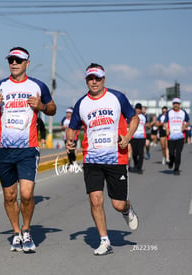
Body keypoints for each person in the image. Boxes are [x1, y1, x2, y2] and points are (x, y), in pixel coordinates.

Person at [0, 47, 56, 252]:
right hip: (4, 149)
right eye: (11, 60)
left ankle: (26, 229)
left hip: (28, 149)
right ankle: (15, 233)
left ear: (26, 64)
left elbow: (52, 109)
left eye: (18, 60)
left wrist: (40, 105)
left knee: (27, 194)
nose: (14, 63)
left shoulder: (37, 86)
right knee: (9, 196)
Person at [66, 63, 139, 256]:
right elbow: (72, 127)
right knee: (95, 200)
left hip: (116, 158)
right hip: (92, 159)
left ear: (103, 79)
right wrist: (70, 140)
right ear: (86, 81)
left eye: (97, 78)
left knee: (118, 204)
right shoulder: (81, 103)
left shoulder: (117, 97)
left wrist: (128, 137)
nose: (94, 82)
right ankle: (104, 241)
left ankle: (127, 209)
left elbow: (134, 118)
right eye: (91, 78)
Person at [164, 98, 190, 176]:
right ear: (173, 104)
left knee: (178, 153)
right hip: (171, 136)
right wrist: (167, 129)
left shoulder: (183, 112)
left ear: (179, 105)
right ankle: (171, 162)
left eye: (177, 103)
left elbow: (188, 122)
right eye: (174, 103)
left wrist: (184, 126)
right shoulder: (169, 112)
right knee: (171, 153)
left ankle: (176, 169)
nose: (176, 105)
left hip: (180, 136)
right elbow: (165, 122)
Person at [129, 103, 147, 174]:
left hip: (142, 137)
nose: (138, 110)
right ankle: (136, 164)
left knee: (141, 153)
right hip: (134, 136)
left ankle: (139, 168)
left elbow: (146, 124)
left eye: (139, 109)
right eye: (137, 109)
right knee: (134, 153)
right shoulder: (132, 116)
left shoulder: (143, 117)